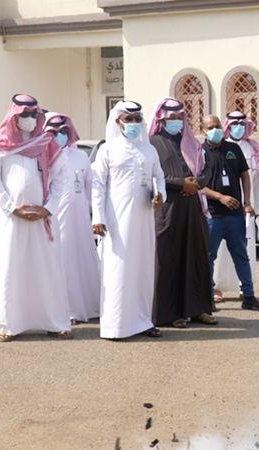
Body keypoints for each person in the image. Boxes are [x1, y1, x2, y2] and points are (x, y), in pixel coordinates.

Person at [0, 93, 72, 341]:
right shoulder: (0, 144)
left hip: (43, 216)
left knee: (47, 269)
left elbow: (60, 180)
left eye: (34, 114)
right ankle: (9, 324)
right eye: (25, 115)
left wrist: (49, 208)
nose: (30, 119)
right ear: (14, 115)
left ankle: (55, 322)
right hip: (12, 218)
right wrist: (13, 207)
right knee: (12, 267)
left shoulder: (48, 143)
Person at [91, 100, 166, 339]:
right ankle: (116, 326)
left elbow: (159, 178)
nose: (133, 124)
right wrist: (98, 217)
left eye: (137, 119)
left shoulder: (149, 150)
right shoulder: (108, 150)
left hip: (143, 219)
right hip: (116, 221)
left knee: (143, 269)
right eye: (128, 120)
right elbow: (97, 186)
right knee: (118, 270)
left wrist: (159, 195)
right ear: (118, 122)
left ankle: (143, 322)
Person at [149, 97, 216, 329]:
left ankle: (199, 309)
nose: (176, 121)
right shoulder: (153, 143)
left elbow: (207, 169)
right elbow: (153, 177)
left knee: (197, 257)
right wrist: (180, 184)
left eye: (179, 117)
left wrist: (196, 183)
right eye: (171, 118)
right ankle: (169, 314)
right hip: (169, 209)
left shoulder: (192, 143)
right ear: (161, 119)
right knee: (169, 258)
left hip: (193, 207)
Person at [201, 114, 259, 311]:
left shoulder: (233, 149)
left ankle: (248, 296)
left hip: (235, 215)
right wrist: (220, 197)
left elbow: (244, 175)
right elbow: (197, 184)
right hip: (212, 214)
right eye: (211, 127)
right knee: (209, 257)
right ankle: (208, 298)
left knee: (241, 256)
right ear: (203, 130)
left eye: (218, 126)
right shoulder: (198, 151)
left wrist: (246, 201)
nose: (216, 130)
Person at [45, 112, 102, 323]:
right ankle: (67, 310)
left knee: (83, 261)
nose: (59, 136)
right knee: (62, 262)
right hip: (55, 219)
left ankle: (89, 306)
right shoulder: (44, 157)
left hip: (80, 220)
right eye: (54, 132)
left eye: (63, 132)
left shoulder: (80, 157)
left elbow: (90, 188)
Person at [221, 110, 259, 301]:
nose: (238, 128)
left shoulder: (251, 148)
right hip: (223, 207)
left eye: (241, 124)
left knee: (245, 250)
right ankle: (217, 286)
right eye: (234, 124)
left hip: (247, 208)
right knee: (221, 251)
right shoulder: (221, 147)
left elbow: (253, 181)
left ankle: (244, 287)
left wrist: (254, 205)